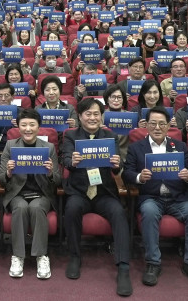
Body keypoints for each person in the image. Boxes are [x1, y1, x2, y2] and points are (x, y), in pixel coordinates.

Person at [60, 98, 133, 297]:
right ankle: (75, 256)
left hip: (103, 192)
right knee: (72, 208)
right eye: (88, 114)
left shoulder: (110, 136)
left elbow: (117, 168)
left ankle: (123, 266)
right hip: (80, 191)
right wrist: (72, 162)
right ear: (80, 116)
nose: (92, 118)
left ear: (101, 116)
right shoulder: (71, 135)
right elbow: (65, 160)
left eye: (96, 114)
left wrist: (117, 165)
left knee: (119, 213)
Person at [125, 108, 188, 288]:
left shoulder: (180, 146)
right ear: (146, 125)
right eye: (153, 123)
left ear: (169, 126)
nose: (157, 127)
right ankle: (153, 263)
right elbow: (127, 173)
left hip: (178, 197)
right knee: (149, 211)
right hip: (151, 197)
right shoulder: (136, 148)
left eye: (162, 123)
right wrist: (139, 177)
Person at [0, 108, 61, 280]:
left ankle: (42, 256)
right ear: (18, 127)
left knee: (36, 208)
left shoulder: (48, 148)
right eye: (24, 125)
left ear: (38, 127)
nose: (28, 129)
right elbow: (1, 180)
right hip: (17, 194)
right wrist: (9, 173)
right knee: (19, 207)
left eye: (32, 125)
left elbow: (57, 180)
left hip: (41, 194)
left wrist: (50, 172)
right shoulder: (10, 146)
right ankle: (18, 256)